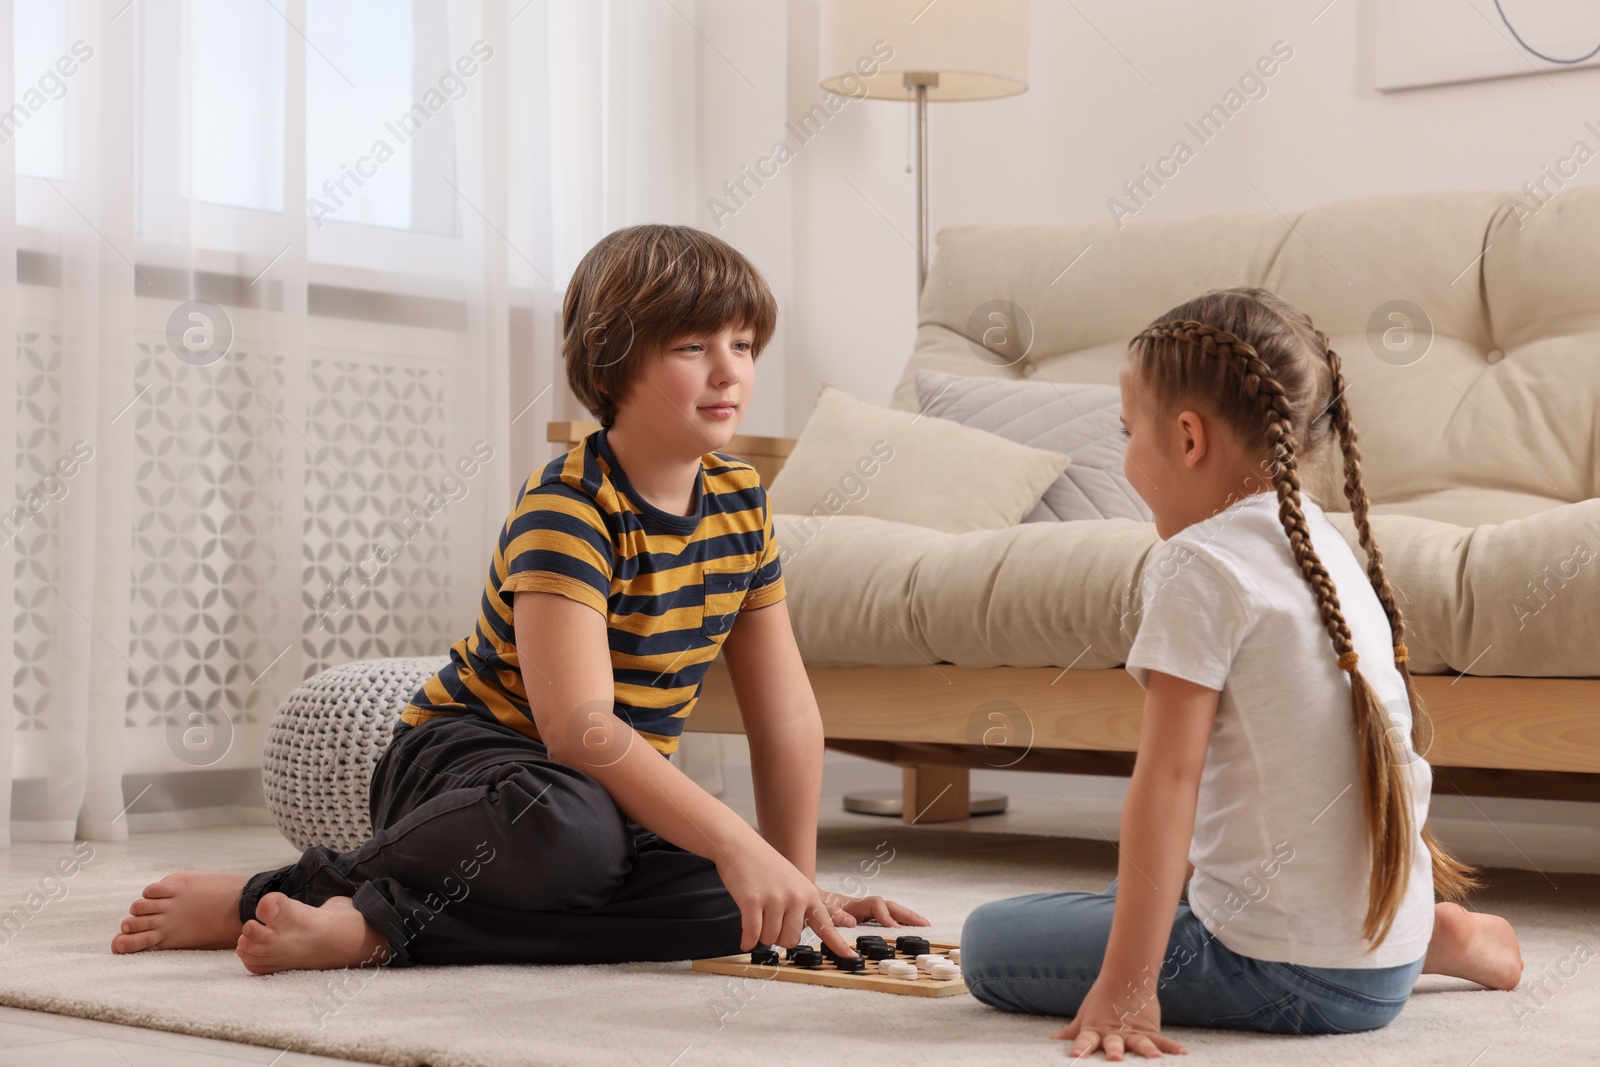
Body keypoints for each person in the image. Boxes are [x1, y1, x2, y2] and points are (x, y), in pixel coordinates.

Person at [111, 223, 927, 973]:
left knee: (735, 908)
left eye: (744, 345)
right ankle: (275, 891)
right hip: (480, 766)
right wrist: (733, 842)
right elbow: (580, 730)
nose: (730, 371)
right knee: (574, 835)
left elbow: (785, 715)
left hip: (614, 790)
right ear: (615, 364)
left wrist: (797, 885)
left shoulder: (744, 504)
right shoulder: (569, 505)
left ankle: (374, 928)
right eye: (692, 345)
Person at [959, 286, 1523, 1058]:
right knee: (1132, 897)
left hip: (1286, 973)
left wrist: (1128, 983)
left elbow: (1168, 783)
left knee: (988, 939)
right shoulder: (1322, 547)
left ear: (1189, 437)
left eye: (1129, 433)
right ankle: (1435, 934)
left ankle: (1410, 939)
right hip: (1380, 950)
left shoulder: (1198, 563)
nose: (1125, 458)